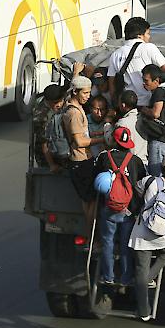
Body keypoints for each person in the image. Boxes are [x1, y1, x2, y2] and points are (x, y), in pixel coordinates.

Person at [129, 153, 165, 322]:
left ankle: (144, 312)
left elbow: (136, 188)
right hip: (161, 234)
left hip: (142, 231)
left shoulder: (150, 181)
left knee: (140, 270)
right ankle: (150, 278)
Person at [94, 126, 146, 286]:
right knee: (125, 245)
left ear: (113, 141)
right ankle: (125, 277)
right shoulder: (135, 161)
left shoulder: (104, 157)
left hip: (108, 208)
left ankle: (108, 276)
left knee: (107, 242)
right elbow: (142, 183)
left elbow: (96, 178)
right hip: (128, 211)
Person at [63, 76, 105, 235]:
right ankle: (91, 238)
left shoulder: (74, 107)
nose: (88, 96)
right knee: (91, 204)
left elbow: (82, 133)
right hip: (81, 162)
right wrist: (102, 139)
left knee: (88, 203)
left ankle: (90, 238)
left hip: (81, 161)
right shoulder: (74, 112)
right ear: (75, 92)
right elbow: (80, 141)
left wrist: (97, 133)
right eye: (85, 92)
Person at [107, 17, 165, 107]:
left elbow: (111, 84)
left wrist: (116, 105)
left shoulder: (116, 54)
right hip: (148, 103)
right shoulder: (149, 47)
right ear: (140, 36)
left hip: (128, 105)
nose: (149, 37)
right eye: (148, 33)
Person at [140, 64, 165, 176]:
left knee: (156, 177)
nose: (144, 84)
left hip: (160, 140)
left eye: (147, 81)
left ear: (156, 81)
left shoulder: (159, 92)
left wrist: (143, 109)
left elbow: (156, 113)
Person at [32, 84, 66, 172]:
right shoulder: (41, 117)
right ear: (47, 101)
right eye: (55, 102)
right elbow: (44, 143)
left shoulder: (62, 102)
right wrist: (52, 165)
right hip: (47, 156)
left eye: (60, 101)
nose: (59, 105)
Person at [115, 90, 148, 165]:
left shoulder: (123, 123)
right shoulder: (143, 118)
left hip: (131, 164)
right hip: (144, 162)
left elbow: (110, 141)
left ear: (123, 105)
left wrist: (107, 125)